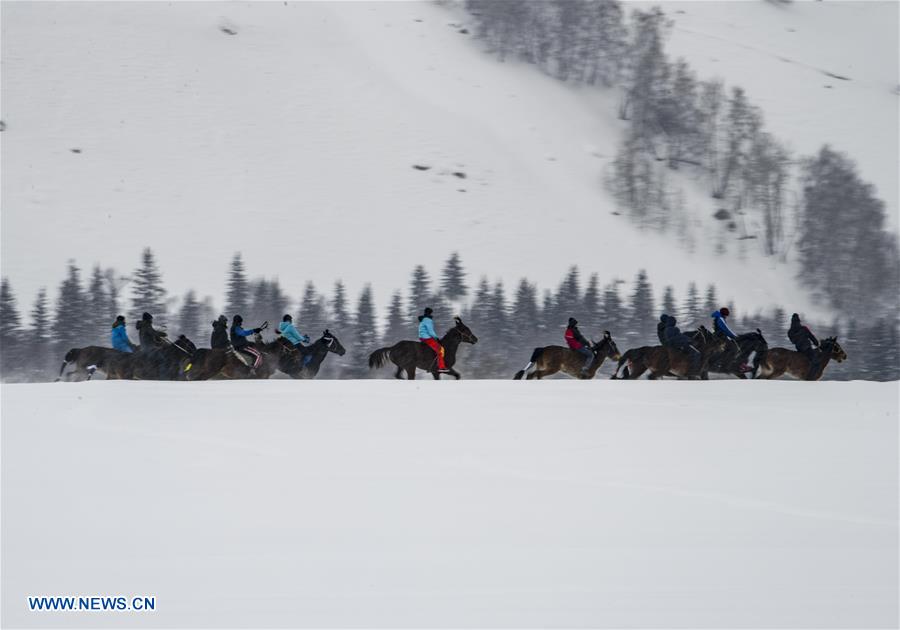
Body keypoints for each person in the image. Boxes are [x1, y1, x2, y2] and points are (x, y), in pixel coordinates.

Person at [788, 313, 820, 377]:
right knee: (815, 360)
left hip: (799, 348)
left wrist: (798, 341)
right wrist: (816, 343)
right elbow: (811, 336)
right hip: (807, 347)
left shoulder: (790, 331)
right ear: (799, 321)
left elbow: (792, 341)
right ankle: (812, 374)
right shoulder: (804, 328)